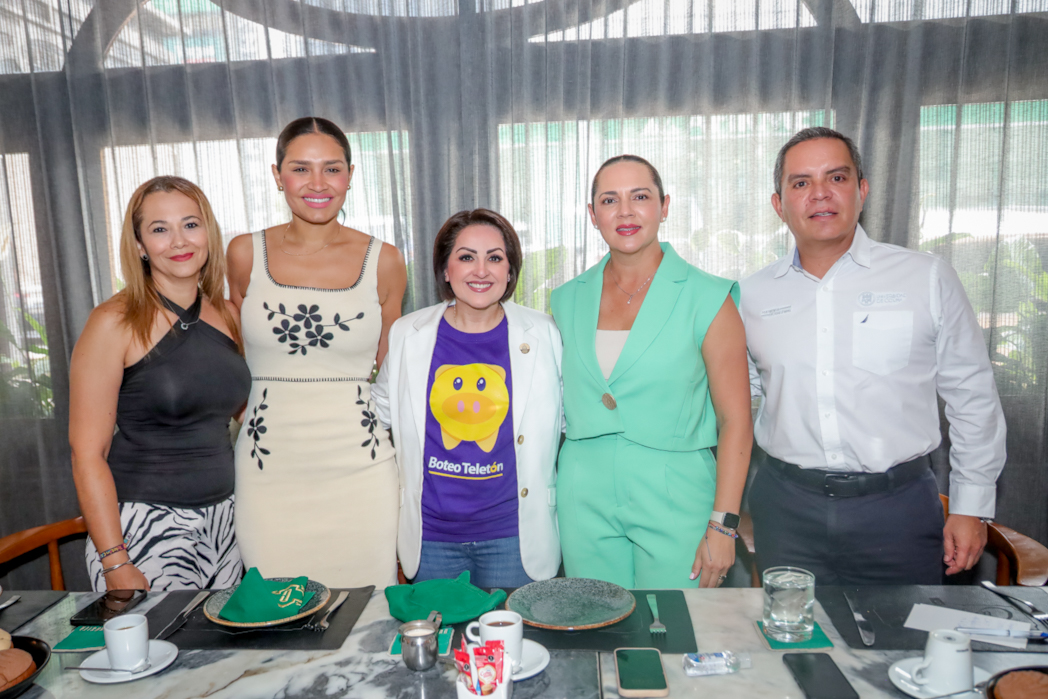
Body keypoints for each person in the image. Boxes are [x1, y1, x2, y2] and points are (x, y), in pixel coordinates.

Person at [741, 127, 1007, 585]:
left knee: (906, 631)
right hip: (786, 509)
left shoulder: (926, 277)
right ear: (778, 204)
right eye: (801, 182)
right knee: (793, 631)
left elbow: (973, 397)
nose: (820, 193)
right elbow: (735, 401)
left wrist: (970, 506)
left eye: (836, 177)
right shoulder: (750, 295)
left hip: (898, 509)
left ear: (862, 190)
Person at [551, 155, 753, 589]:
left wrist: (723, 525)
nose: (625, 212)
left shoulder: (709, 297)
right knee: (597, 621)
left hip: (677, 491)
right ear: (592, 215)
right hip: (582, 493)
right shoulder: (565, 299)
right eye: (610, 200)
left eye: (640, 196)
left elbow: (736, 420)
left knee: (677, 625)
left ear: (664, 206)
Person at [227, 116, 407, 589]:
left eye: (332, 168)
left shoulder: (385, 260)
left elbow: (392, 375)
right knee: (273, 611)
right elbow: (232, 358)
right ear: (277, 175)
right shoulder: (244, 253)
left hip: (362, 469)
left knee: (368, 612)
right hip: (268, 471)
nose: (317, 183)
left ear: (350, 175)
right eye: (300, 169)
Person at [69, 176, 250, 591]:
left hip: (227, 524)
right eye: (159, 229)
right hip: (143, 528)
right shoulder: (112, 322)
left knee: (223, 638)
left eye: (191, 224)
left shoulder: (228, 314)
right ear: (139, 245)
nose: (179, 241)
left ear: (208, 232)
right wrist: (115, 561)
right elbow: (87, 454)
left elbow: (249, 412)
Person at [372, 209, 562, 588]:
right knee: (438, 630)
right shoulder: (408, 334)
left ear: (510, 271)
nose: (481, 270)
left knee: (512, 630)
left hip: (514, 536)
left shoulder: (543, 333)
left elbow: (570, 418)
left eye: (495, 258)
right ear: (445, 269)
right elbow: (378, 414)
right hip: (431, 538)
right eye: (466, 257)